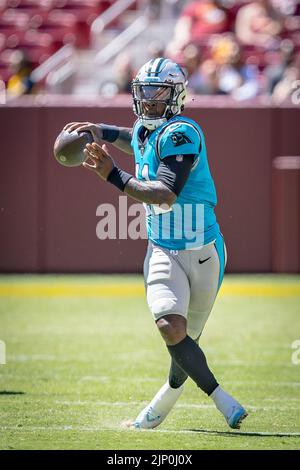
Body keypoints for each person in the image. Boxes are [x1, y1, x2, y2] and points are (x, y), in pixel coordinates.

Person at [63, 58, 248, 430]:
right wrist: (100, 130)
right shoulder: (148, 129)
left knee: (187, 341)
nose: (148, 99)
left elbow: (164, 195)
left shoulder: (183, 132)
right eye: (144, 91)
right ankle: (221, 399)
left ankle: (157, 408)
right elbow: (135, 139)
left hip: (203, 252)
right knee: (170, 327)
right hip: (163, 248)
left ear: (176, 94)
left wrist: (111, 175)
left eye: (158, 90)